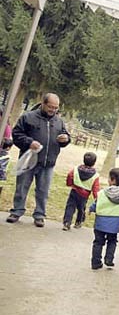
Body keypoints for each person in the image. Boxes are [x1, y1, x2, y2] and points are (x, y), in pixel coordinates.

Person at [6, 93, 70, 227]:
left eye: (56, 107)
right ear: (43, 103)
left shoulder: (59, 121)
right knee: (22, 187)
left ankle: (39, 215)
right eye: (50, 107)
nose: (53, 110)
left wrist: (65, 139)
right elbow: (16, 134)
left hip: (48, 163)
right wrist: (29, 142)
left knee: (43, 191)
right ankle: (17, 211)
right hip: (29, 161)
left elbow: (66, 136)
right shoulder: (27, 117)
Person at [62, 152, 100, 231]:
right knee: (81, 208)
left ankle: (67, 222)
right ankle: (78, 222)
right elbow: (95, 187)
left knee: (70, 207)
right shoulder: (95, 175)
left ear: (83, 160)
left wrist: (69, 183)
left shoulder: (76, 169)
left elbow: (70, 175)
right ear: (94, 163)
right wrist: (97, 197)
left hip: (74, 190)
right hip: (84, 195)